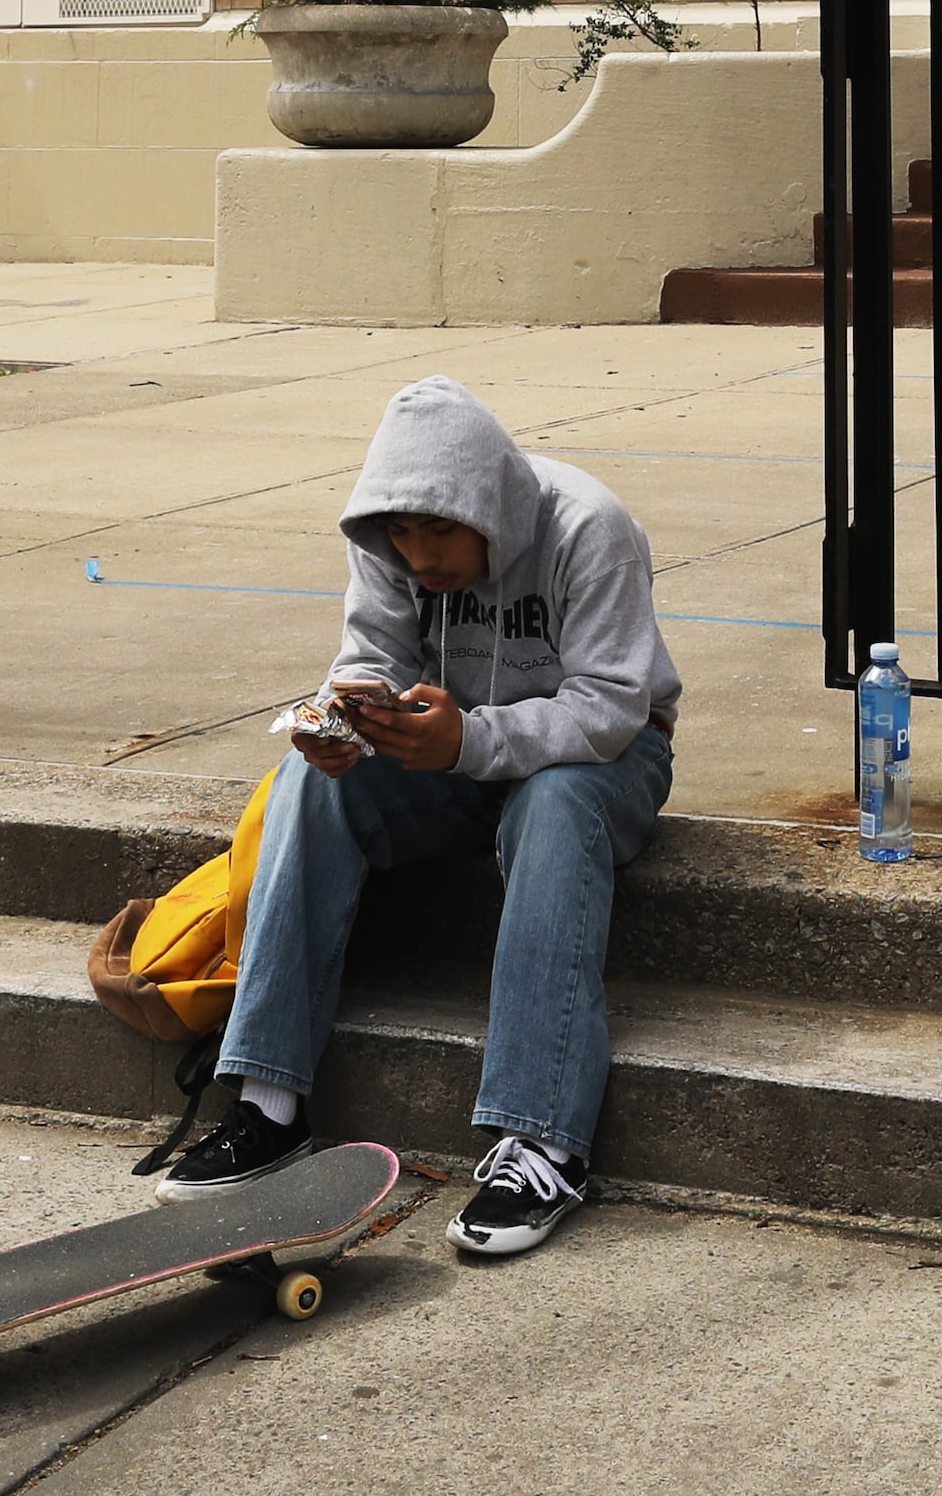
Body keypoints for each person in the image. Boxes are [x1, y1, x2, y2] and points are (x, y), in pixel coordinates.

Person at [138, 376, 681, 1260]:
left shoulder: (590, 525)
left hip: (605, 761)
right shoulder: (390, 542)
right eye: (400, 531)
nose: (417, 552)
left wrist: (469, 737)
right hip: (452, 746)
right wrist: (345, 723)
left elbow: (612, 706)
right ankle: (268, 1103)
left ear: (491, 507)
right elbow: (370, 656)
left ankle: (541, 1142)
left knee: (554, 796)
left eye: (438, 530)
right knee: (308, 781)